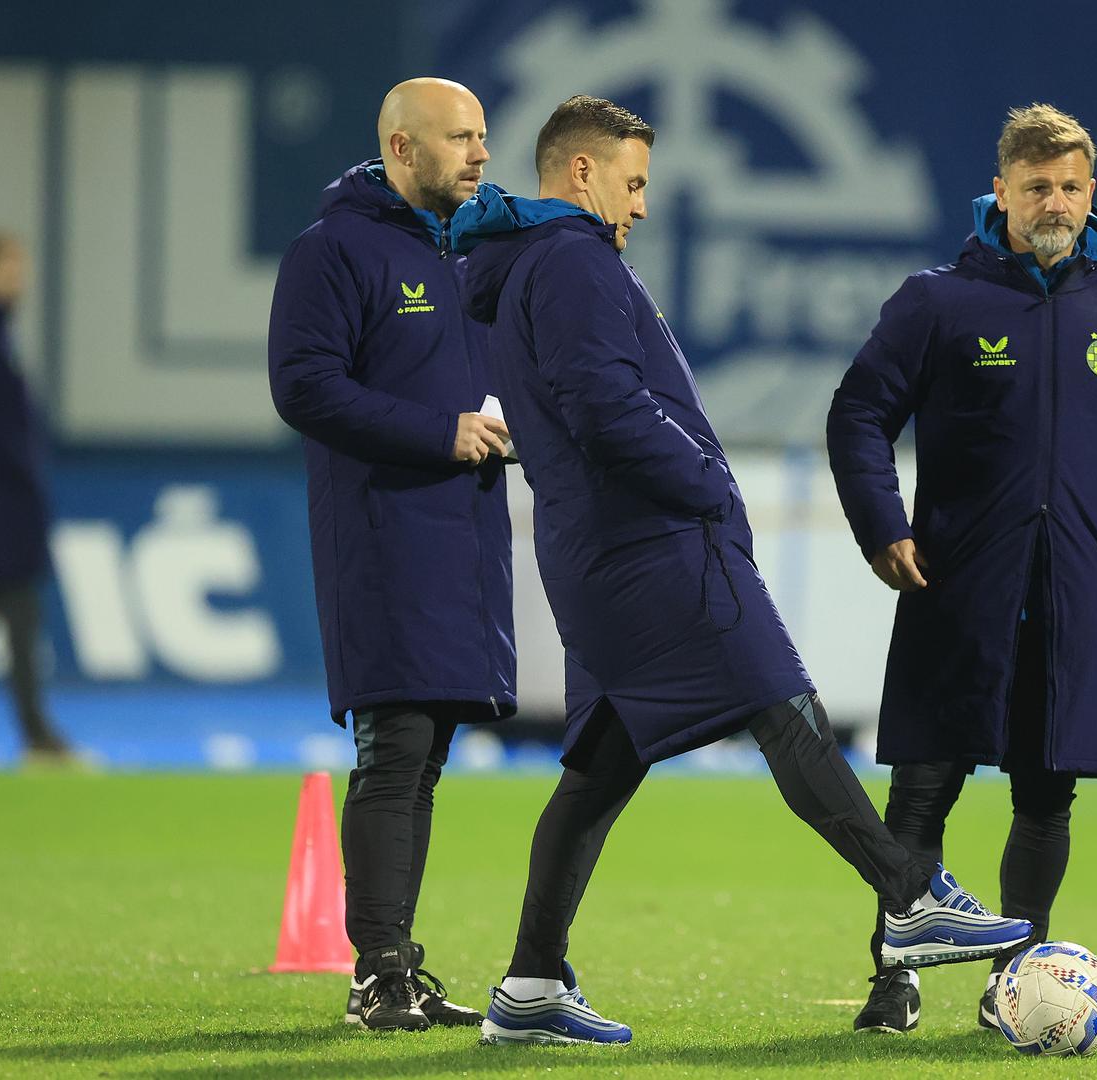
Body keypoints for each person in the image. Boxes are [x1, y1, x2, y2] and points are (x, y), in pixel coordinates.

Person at [459, 94, 1032, 1046]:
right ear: (579, 173)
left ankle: (527, 987)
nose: (639, 207)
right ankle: (908, 896)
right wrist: (707, 481)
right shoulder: (571, 260)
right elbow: (605, 407)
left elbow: (571, 408)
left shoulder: (523, 269)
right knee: (781, 706)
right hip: (652, 547)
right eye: (632, 184)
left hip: (593, 553)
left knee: (601, 768)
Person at [827, 103, 1097, 1035]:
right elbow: (858, 414)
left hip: (1072, 590)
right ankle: (892, 980)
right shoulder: (938, 301)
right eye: (1037, 187)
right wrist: (882, 525)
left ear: (1091, 192)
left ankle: (1019, 986)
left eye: (1071, 187)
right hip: (954, 584)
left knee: (1044, 792)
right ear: (1000, 190)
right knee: (922, 789)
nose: (1055, 204)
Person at [267, 77, 517, 1032]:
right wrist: (436, 435)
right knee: (395, 747)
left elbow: (493, 381)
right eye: (460, 138)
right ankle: (375, 973)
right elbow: (303, 387)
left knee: (422, 757)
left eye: (483, 136)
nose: (480, 154)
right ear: (402, 149)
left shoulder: (475, 254)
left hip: (463, 536)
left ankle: (395, 968)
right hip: (381, 531)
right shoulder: (334, 250)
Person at [0, 232, 75, 764]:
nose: (18, 277)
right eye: (8, 266)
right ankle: (39, 739)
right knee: (21, 627)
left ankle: (38, 735)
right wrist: (24, 472)